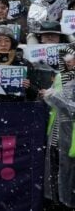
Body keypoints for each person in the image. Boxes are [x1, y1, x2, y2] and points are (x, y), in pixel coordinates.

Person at [40, 43, 75, 208]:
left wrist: (52, 96)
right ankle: (56, 201)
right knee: (55, 172)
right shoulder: (61, 77)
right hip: (56, 133)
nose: (69, 62)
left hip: (71, 136)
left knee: (68, 174)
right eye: (67, 58)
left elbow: (71, 108)